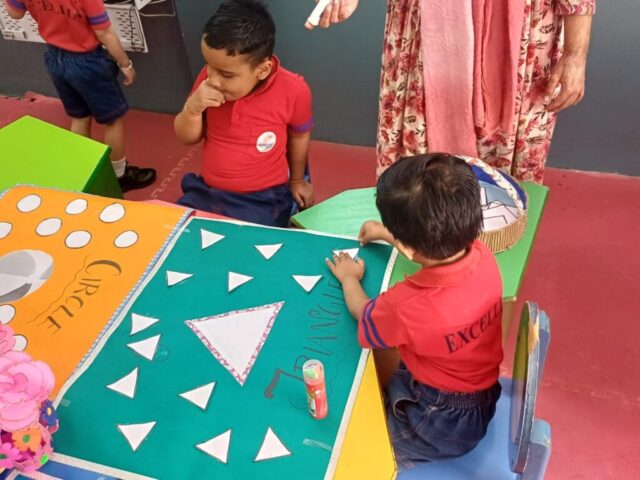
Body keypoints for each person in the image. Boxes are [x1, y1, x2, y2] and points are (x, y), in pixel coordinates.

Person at [326, 153, 503, 465]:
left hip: (441, 421)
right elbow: (439, 244)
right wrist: (388, 234)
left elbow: (364, 314)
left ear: (407, 247)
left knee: (360, 444)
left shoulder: (407, 306)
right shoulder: (482, 255)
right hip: (480, 391)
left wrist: (349, 278)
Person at [306, 0, 595, 183]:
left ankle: (495, 249)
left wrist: (575, 55)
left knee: (505, 173)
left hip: (521, 37)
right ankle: (416, 244)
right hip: (426, 32)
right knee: (417, 163)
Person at [174, 0, 315, 227]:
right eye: (208, 65)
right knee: (175, 230)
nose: (213, 79)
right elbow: (187, 138)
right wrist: (192, 109)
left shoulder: (294, 90)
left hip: (262, 198)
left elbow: (299, 136)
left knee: (250, 242)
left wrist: (298, 181)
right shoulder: (208, 80)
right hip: (208, 192)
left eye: (226, 75)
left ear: (263, 70)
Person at [3, 0, 156, 192]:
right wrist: (126, 64)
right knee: (114, 119)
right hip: (87, 62)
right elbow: (104, 33)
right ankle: (119, 175)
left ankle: (86, 172)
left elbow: (15, 14)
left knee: (80, 116)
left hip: (55, 59)